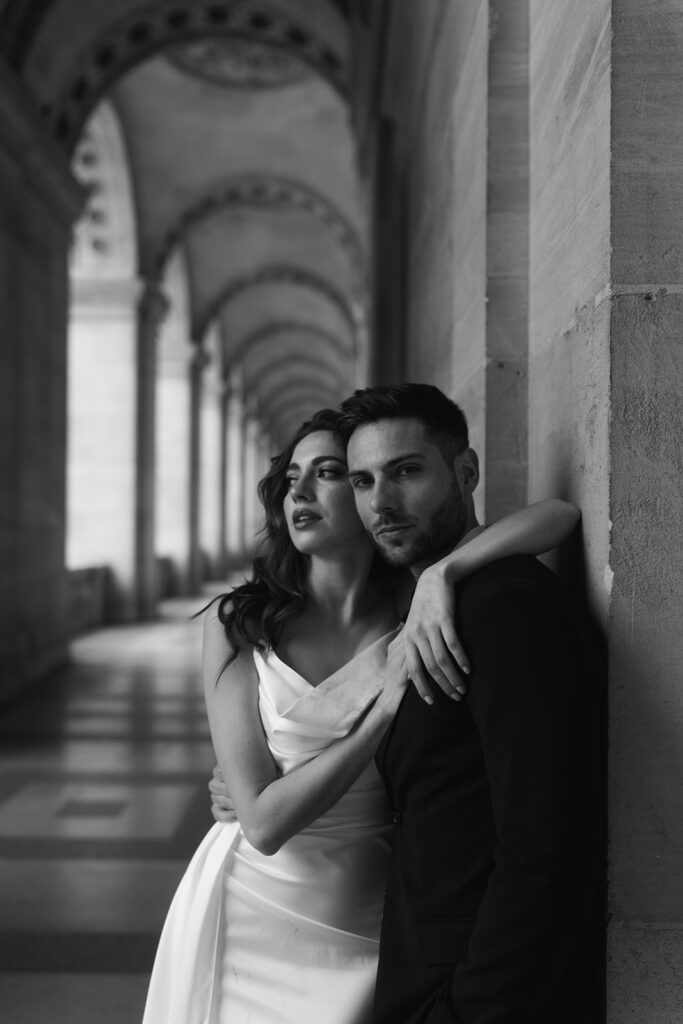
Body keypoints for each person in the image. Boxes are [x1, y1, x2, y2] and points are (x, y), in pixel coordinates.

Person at [142, 404, 582, 1024]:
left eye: (327, 474)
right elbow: (263, 823)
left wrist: (444, 574)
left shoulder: (415, 604)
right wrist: (378, 718)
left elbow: (559, 516)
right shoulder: (239, 622)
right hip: (252, 904)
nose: (299, 491)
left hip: (371, 915)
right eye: (293, 476)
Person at [336, 383, 603, 1023]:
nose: (382, 503)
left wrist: (466, 1012)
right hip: (421, 975)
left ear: (467, 471)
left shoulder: (507, 605)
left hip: (478, 998)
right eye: (363, 482)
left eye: (405, 471)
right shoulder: (419, 608)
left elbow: (548, 852)